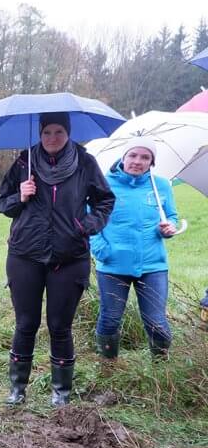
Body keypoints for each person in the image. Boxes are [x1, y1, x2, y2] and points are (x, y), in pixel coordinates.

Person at [0, 112, 115, 407]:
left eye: (59, 131)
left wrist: (85, 226)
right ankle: (17, 389)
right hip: (25, 254)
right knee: (25, 323)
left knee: (60, 326)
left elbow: (105, 200)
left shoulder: (85, 162)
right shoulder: (25, 161)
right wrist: (20, 196)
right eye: (47, 132)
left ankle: (61, 392)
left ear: (68, 133)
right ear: (40, 133)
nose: (52, 138)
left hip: (69, 256)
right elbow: (2, 203)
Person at [91, 140, 178, 359]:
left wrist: (169, 228)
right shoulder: (103, 184)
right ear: (123, 157)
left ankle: (161, 368)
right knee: (110, 319)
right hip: (113, 265)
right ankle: (108, 366)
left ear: (152, 162)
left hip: (153, 265)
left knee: (156, 322)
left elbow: (171, 216)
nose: (138, 161)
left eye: (145, 157)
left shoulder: (161, 186)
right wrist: (101, 250)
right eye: (133, 155)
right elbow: (88, 220)